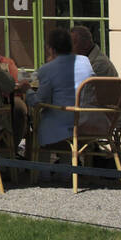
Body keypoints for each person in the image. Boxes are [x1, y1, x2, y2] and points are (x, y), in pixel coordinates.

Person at [28, 28, 85, 164]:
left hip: (62, 123)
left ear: (50, 49)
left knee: (40, 121)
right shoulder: (85, 62)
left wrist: (28, 91)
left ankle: (43, 173)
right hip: (86, 121)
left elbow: (38, 102)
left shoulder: (48, 68)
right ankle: (67, 172)